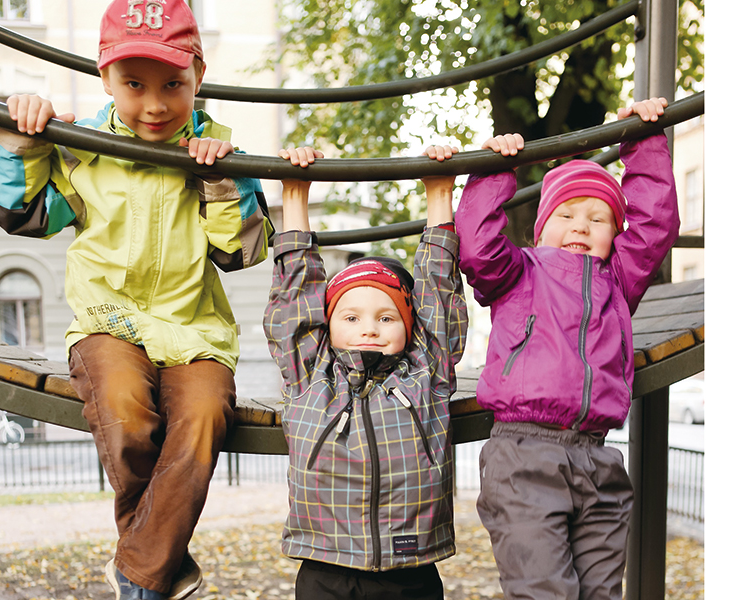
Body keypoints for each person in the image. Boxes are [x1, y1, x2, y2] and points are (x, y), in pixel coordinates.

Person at [0, 1, 274, 598]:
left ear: (198, 76)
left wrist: (220, 180)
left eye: (172, 84)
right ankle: (157, 563)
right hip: (108, 322)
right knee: (124, 408)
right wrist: (19, 147)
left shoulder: (219, 154)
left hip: (194, 330)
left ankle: (139, 568)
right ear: (105, 79)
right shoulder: (83, 148)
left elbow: (241, 253)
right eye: (134, 85)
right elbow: (25, 216)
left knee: (204, 415)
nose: (155, 105)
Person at [454, 97, 680, 600]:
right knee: (543, 591)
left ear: (615, 235)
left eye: (599, 219)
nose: (581, 225)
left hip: (597, 459)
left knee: (601, 592)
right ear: (540, 227)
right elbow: (477, 247)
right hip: (523, 456)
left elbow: (655, 227)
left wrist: (641, 139)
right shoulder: (518, 273)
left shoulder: (618, 280)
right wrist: (496, 170)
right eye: (567, 214)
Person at [263, 145, 468, 599]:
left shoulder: (427, 374)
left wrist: (439, 194)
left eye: (387, 317)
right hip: (326, 566)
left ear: (410, 327)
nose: (369, 328)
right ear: (328, 325)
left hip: (410, 568)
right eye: (352, 317)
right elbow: (295, 296)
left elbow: (438, 291)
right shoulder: (311, 376)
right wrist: (294, 195)